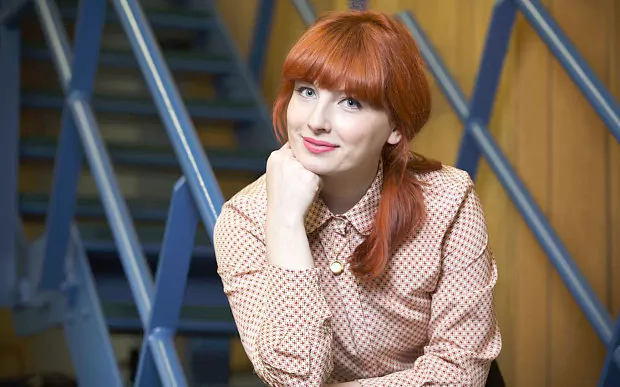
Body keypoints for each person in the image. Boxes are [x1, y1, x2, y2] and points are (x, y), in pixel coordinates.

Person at [213, 10, 501, 387]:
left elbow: (460, 374)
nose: (316, 120)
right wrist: (284, 223)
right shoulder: (245, 222)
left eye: (350, 102)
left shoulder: (447, 200)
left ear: (396, 127)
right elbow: (295, 378)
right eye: (307, 91)